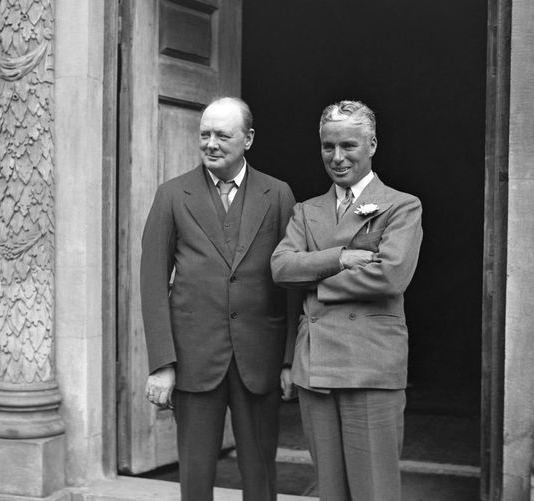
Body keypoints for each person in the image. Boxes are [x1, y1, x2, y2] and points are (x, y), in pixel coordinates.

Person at [140, 97, 297, 501]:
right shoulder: (172, 195)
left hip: (259, 356)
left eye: (221, 135)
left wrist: (289, 359)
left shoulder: (278, 195)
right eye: (204, 134)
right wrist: (163, 363)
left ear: (248, 139)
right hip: (194, 359)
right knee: (194, 474)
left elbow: (292, 282)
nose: (210, 143)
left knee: (260, 473)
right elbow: (153, 282)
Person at [271, 100, 423, 501]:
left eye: (348, 146)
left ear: (371, 144)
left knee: (374, 490)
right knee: (331, 491)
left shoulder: (400, 205)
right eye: (327, 146)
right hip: (316, 368)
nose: (337, 157)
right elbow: (282, 267)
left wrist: (316, 283)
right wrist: (339, 258)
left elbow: (391, 275)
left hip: (370, 363)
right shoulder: (307, 211)